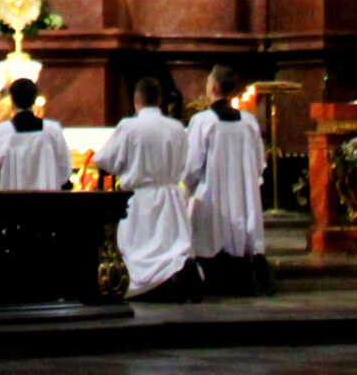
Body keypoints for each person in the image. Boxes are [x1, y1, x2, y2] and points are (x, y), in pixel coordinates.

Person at [94, 77, 194, 298]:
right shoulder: (176, 127)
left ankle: (144, 284)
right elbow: (185, 162)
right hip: (170, 196)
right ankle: (175, 277)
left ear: (136, 100)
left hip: (139, 199)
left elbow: (104, 160)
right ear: (160, 100)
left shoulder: (129, 127)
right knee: (170, 248)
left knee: (139, 251)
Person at [183, 66, 267, 294]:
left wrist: (187, 189)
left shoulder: (202, 122)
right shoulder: (249, 122)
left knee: (208, 232)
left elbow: (191, 165)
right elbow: (258, 163)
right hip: (242, 194)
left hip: (211, 194)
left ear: (212, 87)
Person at [0, 77, 73, 192]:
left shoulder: (0, 132)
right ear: (34, 100)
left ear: (12, 100)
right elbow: (64, 169)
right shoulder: (53, 130)